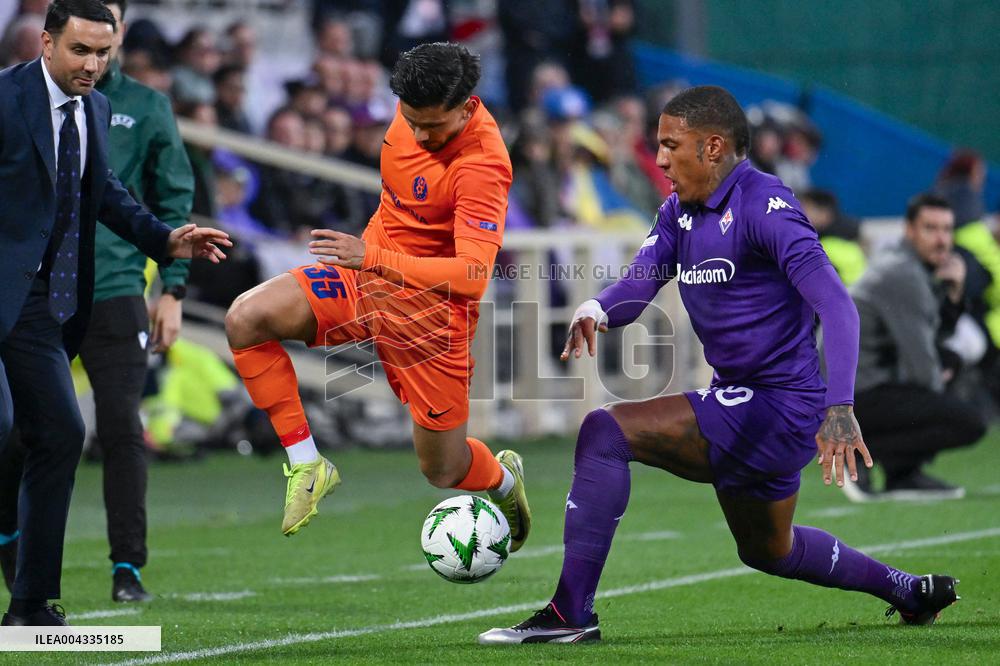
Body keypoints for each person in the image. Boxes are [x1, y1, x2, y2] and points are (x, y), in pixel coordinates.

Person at [479, 86, 958, 644]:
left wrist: (841, 407)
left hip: (781, 405)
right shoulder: (679, 211)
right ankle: (906, 590)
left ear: (712, 147)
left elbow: (838, 306)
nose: (658, 159)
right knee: (768, 550)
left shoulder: (766, 207)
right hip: (748, 402)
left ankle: (569, 615)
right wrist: (597, 308)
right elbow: (642, 282)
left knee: (605, 431)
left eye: (669, 145)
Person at [223, 43, 531, 549]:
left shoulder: (482, 165)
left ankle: (503, 481)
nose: (422, 135)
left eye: (436, 127)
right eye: (413, 122)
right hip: (363, 283)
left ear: (466, 105)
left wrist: (372, 257)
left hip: (431, 320)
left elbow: (474, 275)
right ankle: (307, 464)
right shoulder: (412, 100)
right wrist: (369, 260)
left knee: (444, 469)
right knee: (246, 318)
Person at [0, 0, 229, 626]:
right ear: (46, 43)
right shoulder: (4, 98)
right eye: (80, 50)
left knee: (65, 432)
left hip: (44, 305)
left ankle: (30, 607)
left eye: (103, 52)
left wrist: (165, 241)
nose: (93, 64)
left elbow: (109, 194)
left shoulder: (96, 108)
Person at [849, 193, 987, 500]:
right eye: (930, 228)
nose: (941, 240)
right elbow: (923, 370)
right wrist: (942, 380)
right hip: (848, 396)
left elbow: (932, 339)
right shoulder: (904, 274)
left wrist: (953, 297)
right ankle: (857, 448)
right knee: (969, 422)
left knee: (948, 364)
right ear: (909, 230)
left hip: (857, 387)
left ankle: (903, 473)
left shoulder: (906, 264)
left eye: (947, 229)